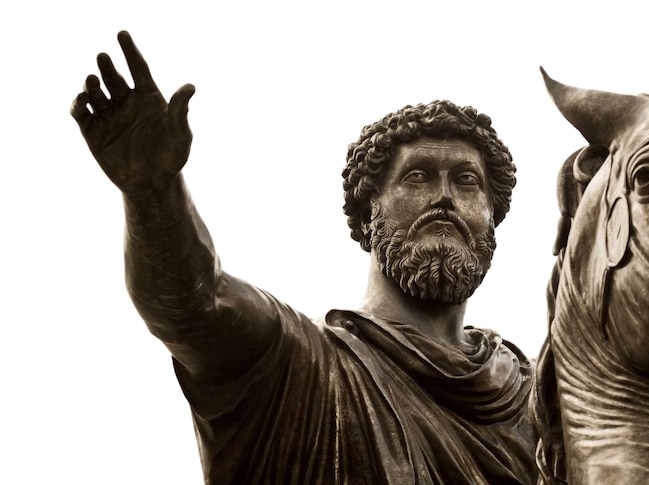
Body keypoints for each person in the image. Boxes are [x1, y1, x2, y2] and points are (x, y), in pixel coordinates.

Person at [70, 31, 537, 484]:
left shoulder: (539, 399)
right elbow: (196, 304)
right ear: (367, 212)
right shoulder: (298, 365)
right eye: (417, 176)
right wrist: (153, 194)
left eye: (467, 181)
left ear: (493, 218)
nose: (444, 198)